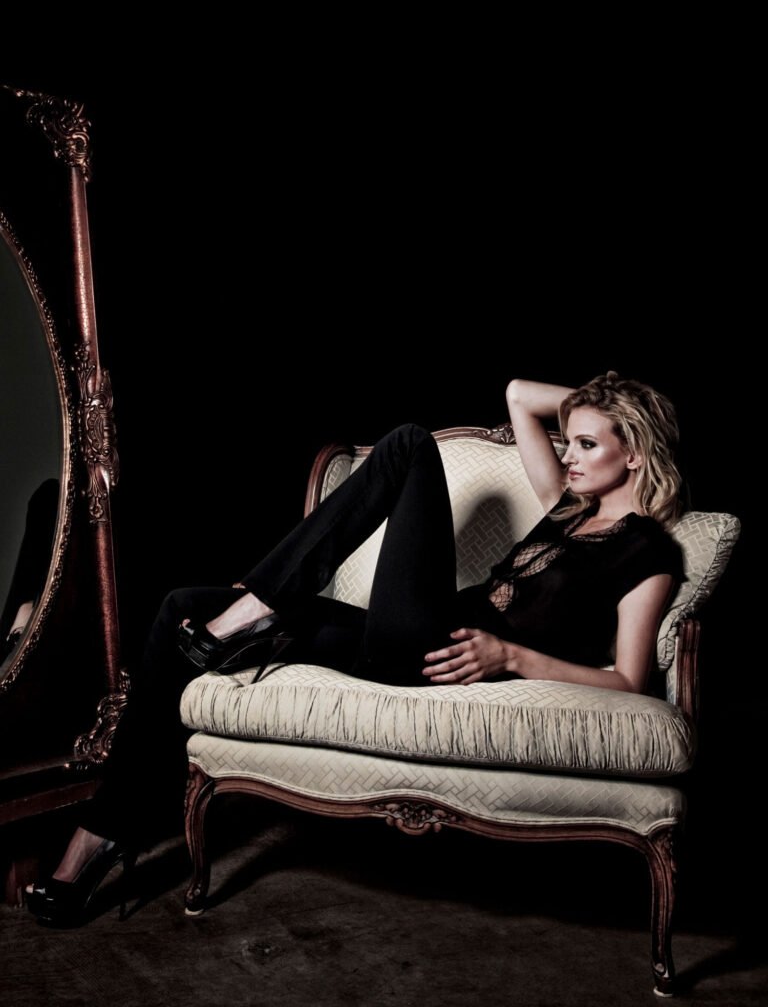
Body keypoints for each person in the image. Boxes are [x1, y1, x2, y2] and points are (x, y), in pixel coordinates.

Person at [26, 372, 684, 925]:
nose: (569, 456)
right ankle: (98, 839)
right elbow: (518, 394)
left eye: (588, 444)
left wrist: (510, 658)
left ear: (633, 453)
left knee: (407, 444)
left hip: (438, 655)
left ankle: (262, 605)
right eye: (570, 442)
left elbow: (631, 681)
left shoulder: (646, 552)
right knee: (181, 609)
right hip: (408, 634)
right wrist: (610, 402)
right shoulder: (567, 509)